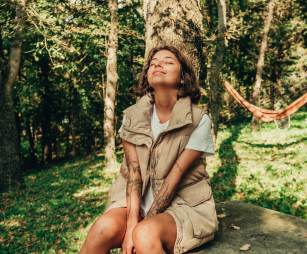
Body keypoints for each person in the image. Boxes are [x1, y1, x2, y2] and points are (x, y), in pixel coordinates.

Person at [80, 45, 218, 254]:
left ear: (183, 78)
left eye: (168, 61)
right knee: (101, 229)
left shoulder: (199, 120)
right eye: (153, 63)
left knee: (144, 234)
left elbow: (173, 180)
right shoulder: (131, 117)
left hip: (183, 207)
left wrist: (138, 230)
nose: (157, 64)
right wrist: (131, 224)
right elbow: (133, 175)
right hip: (135, 205)